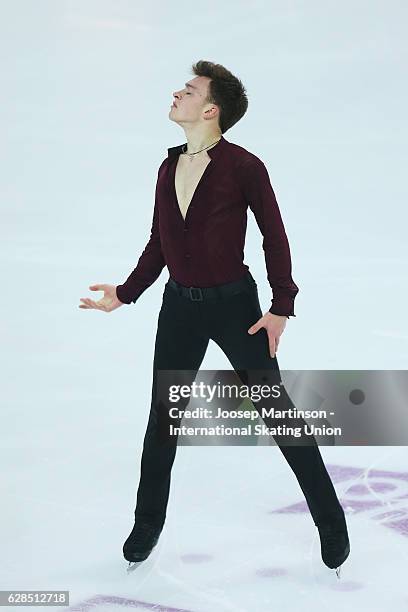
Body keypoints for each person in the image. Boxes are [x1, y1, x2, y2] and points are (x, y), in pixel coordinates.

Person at [79, 60, 350, 576]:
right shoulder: (167, 166)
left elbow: (275, 235)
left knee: (278, 414)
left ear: (211, 109)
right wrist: (127, 292)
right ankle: (147, 524)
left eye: (189, 89)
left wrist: (281, 306)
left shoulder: (244, 166)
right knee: (165, 418)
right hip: (179, 308)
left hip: (235, 309)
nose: (177, 93)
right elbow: (160, 242)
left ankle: (331, 523)